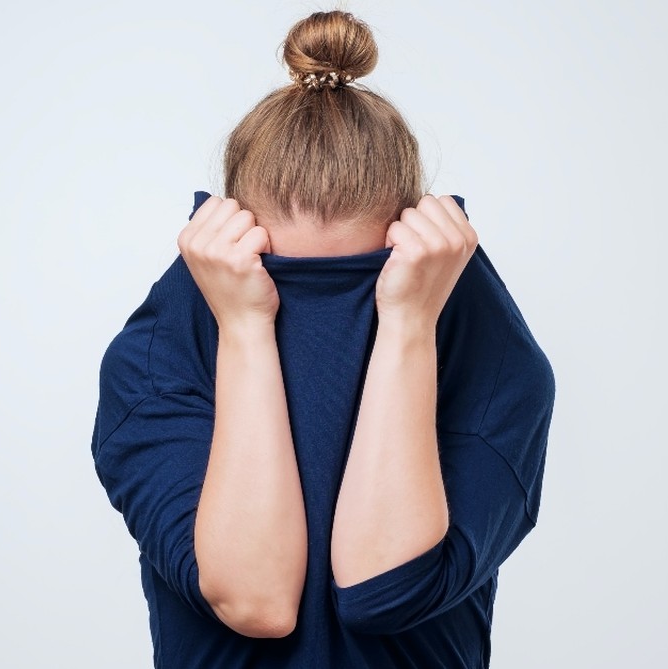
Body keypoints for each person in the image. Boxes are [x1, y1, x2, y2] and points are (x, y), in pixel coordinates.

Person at [90, 10, 555, 668]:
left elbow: (384, 589)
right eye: (282, 282)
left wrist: (407, 323)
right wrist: (247, 327)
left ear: (417, 249)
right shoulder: (155, 364)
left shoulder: (496, 367)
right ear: (225, 252)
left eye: (359, 285)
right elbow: (257, 599)